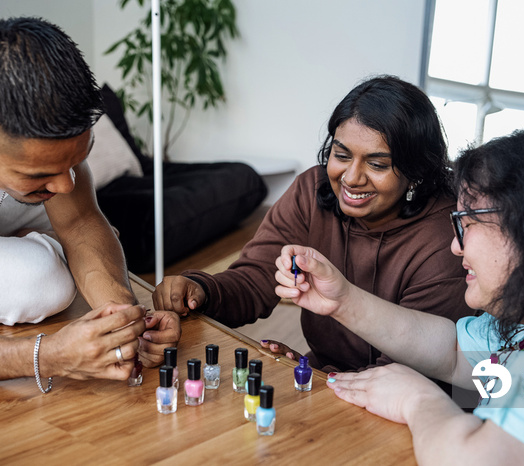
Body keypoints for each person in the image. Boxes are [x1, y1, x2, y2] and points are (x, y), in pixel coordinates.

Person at [273, 121, 524, 465]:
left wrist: (417, 400)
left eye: (467, 223)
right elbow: (453, 352)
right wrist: (343, 300)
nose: (455, 247)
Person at [153, 75, 472, 372]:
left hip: (411, 401)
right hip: (328, 376)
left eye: (376, 164)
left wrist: (316, 377)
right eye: (342, 154)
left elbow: (413, 370)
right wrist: (202, 290)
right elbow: (256, 278)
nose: (351, 178)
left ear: (416, 170)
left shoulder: (446, 240)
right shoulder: (312, 191)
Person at [0, 17, 179, 387]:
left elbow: (82, 222)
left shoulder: (31, 80)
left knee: (73, 251)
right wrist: (47, 356)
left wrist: (124, 319)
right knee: (43, 282)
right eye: (40, 173)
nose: (68, 185)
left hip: (2, 203)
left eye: (74, 162)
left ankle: (29, 235)